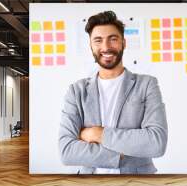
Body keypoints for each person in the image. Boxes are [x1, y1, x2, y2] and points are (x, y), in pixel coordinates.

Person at [58, 11, 167, 174]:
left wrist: (98, 134)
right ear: (91, 45)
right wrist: (121, 154)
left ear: (123, 42)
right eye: (98, 40)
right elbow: (66, 151)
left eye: (113, 39)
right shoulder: (76, 91)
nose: (106, 47)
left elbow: (157, 143)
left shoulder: (147, 85)